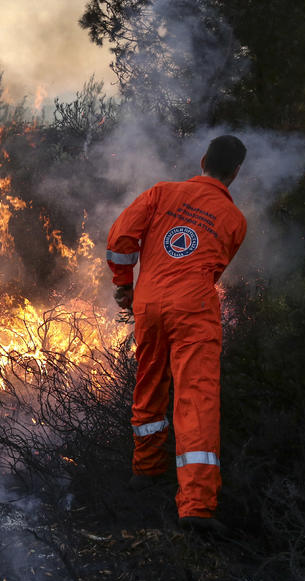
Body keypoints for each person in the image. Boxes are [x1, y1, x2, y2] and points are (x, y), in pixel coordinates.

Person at [105, 135, 248, 533]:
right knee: (195, 397)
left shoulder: (161, 192)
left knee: (149, 381)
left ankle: (146, 470)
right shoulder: (235, 220)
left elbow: (120, 240)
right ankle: (197, 507)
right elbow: (214, 268)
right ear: (235, 173)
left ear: (202, 160)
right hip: (194, 310)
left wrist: (124, 284)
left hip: (148, 304)